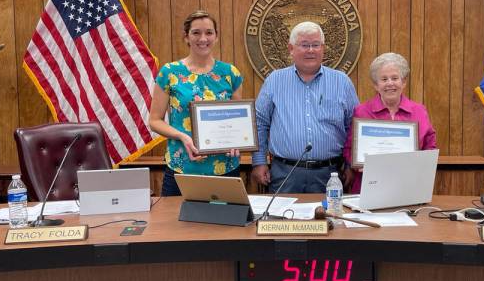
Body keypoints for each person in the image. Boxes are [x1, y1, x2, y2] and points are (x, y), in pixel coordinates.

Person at [251, 21, 359, 193]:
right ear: (291, 48)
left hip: (331, 174)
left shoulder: (342, 82)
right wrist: (259, 161)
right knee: (283, 220)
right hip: (285, 173)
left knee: (328, 219)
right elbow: (259, 123)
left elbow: (353, 126)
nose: (311, 50)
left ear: (323, 48)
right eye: (304, 45)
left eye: (315, 45)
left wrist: (350, 164)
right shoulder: (274, 80)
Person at [150, 10, 243, 196]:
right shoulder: (169, 72)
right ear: (186, 37)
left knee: (225, 224)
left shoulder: (230, 73)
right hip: (182, 166)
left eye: (209, 32)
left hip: (224, 168)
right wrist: (183, 137)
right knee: (176, 224)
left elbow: (237, 120)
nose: (203, 38)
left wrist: (236, 141)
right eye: (196, 33)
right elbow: (155, 121)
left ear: (216, 37)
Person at [343, 52, 437, 193]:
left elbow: (430, 148)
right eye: (384, 79)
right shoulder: (361, 112)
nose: (390, 83)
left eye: (395, 78)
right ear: (376, 85)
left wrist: (419, 166)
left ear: (403, 82)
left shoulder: (419, 111)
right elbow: (349, 149)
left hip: (407, 186)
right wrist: (358, 164)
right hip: (369, 186)